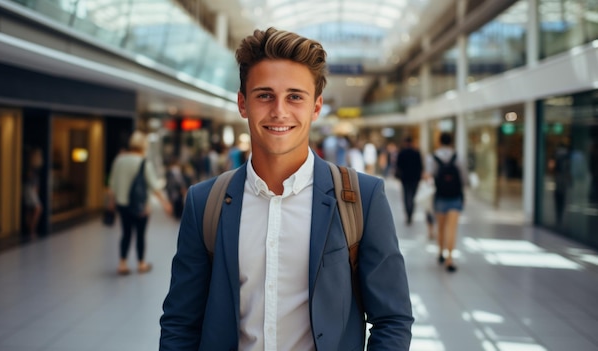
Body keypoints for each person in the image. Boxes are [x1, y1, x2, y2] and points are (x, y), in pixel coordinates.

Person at [160, 27, 413, 350]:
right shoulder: (204, 203)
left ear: (316, 107)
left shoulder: (361, 198)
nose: (279, 110)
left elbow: (392, 318)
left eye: (295, 96)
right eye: (264, 95)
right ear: (242, 103)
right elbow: (181, 321)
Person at [108, 131, 172, 275]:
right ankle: (141, 263)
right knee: (140, 235)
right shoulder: (144, 162)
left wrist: (111, 202)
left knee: (126, 233)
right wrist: (165, 203)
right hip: (140, 206)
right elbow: (154, 186)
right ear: (144, 146)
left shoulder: (119, 160)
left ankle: (122, 263)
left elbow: (112, 184)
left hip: (122, 204)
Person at [425, 132, 467, 272]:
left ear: (439, 141)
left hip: (440, 196)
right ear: (451, 142)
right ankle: (450, 259)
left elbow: (428, 176)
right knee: (452, 229)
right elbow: (463, 177)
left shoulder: (432, 157)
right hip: (455, 196)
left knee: (441, 227)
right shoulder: (457, 156)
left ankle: (440, 252)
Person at [395, 136, 423, 225]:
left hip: (405, 178)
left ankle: (408, 214)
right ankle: (411, 213)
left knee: (407, 196)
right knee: (412, 197)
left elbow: (398, 165)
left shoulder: (402, 153)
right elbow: (420, 166)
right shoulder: (416, 152)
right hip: (414, 178)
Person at [23, 147, 43, 239]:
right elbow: (30, 180)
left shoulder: (34, 168)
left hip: (31, 189)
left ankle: (31, 229)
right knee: (37, 208)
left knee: (30, 209)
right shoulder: (30, 168)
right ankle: (31, 230)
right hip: (29, 189)